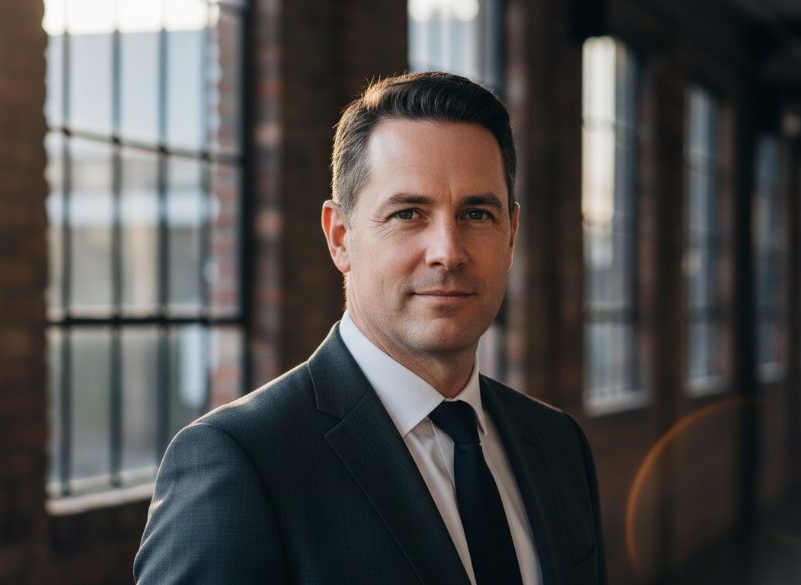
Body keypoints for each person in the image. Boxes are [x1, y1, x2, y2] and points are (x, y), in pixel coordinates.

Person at [134, 71, 606, 585]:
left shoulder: (558, 444)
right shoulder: (241, 462)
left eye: (476, 213)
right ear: (340, 237)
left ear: (511, 236)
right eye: (408, 213)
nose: (447, 251)